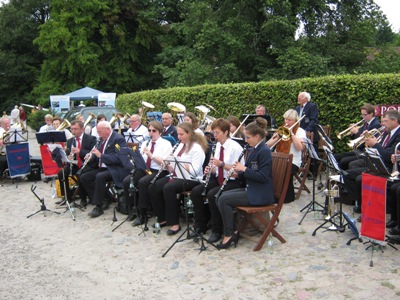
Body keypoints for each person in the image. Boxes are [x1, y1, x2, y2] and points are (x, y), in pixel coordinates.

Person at [216, 119, 274, 249]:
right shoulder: (254, 149)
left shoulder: (264, 151)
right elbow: (249, 172)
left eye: (248, 137)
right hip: (252, 188)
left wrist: (244, 169)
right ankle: (232, 230)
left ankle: (229, 234)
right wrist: (237, 174)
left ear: (257, 136)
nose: (246, 140)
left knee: (224, 199)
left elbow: (263, 176)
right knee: (220, 195)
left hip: (260, 193)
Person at [149, 122, 208, 235]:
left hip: (192, 179)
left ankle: (174, 223)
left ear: (189, 133)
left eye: (181, 134)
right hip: (177, 175)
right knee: (154, 186)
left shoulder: (197, 148)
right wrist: (168, 164)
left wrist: (180, 163)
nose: (179, 137)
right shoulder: (180, 145)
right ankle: (162, 218)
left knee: (168, 188)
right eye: (178, 134)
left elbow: (195, 171)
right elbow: (172, 168)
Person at [190, 118, 244, 242]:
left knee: (212, 194)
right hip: (219, 178)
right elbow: (217, 169)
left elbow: (239, 171)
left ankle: (217, 230)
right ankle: (201, 225)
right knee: (196, 192)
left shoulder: (235, 147)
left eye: (217, 133)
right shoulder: (217, 145)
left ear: (226, 132)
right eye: (213, 132)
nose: (214, 136)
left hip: (233, 181)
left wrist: (221, 164)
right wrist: (210, 169)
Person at [343, 110, 400, 219]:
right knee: (347, 173)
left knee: (360, 178)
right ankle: (361, 204)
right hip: (376, 164)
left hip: (386, 168)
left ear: (394, 121)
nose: (383, 124)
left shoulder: (398, 135)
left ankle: (367, 207)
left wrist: (375, 144)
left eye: (386, 121)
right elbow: (378, 149)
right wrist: (366, 139)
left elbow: (388, 155)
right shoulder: (387, 132)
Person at [124, 121, 173, 226]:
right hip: (145, 169)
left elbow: (165, 163)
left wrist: (151, 155)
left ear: (159, 132)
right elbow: (141, 159)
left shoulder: (166, 144)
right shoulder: (146, 143)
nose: (151, 133)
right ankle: (132, 208)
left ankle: (143, 214)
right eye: (149, 130)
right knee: (127, 181)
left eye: (153, 131)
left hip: (159, 171)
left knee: (143, 182)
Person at [80, 121, 131, 218]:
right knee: (84, 177)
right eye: (98, 132)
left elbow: (119, 158)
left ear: (108, 129)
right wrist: (91, 157)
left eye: (100, 132)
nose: (99, 134)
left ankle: (98, 206)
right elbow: (97, 155)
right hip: (102, 167)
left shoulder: (118, 140)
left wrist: (101, 155)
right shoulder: (102, 139)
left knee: (100, 177)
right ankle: (106, 197)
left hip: (115, 168)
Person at [266, 109, 306, 203]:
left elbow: (300, 147)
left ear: (295, 120)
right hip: (279, 158)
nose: (287, 122)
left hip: (293, 161)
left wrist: (291, 134)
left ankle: (286, 197)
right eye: (286, 119)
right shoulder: (281, 129)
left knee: (283, 169)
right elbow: (268, 145)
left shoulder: (300, 131)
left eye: (290, 120)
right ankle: (272, 193)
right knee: (266, 167)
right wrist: (277, 137)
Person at [56, 120, 97, 207]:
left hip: (87, 164)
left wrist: (80, 151)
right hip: (75, 164)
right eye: (72, 129)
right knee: (61, 173)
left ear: (82, 129)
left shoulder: (91, 139)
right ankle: (67, 196)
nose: (73, 131)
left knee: (80, 174)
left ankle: (83, 198)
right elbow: (68, 153)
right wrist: (68, 156)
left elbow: (92, 153)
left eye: (75, 129)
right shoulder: (71, 140)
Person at [334, 103, 381, 171]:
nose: (362, 117)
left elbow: (366, 141)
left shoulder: (376, 125)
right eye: (362, 114)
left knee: (344, 161)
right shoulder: (366, 123)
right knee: (337, 156)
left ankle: (344, 177)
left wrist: (356, 132)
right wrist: (352, 133)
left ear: (371, 114)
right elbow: (357, 138)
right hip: (360, 150)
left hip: (364, 151)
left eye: (365, 115)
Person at [295, 91, 319, 176]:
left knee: (312, 153)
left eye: (300, 97)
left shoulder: (312, 106)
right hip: (300, 133)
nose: (298, 98)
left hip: (310, 133)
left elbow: (314, 120)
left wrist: (307, 130)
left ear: (306, 98)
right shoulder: (297, 108)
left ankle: (313, 173)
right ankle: (303, 170)